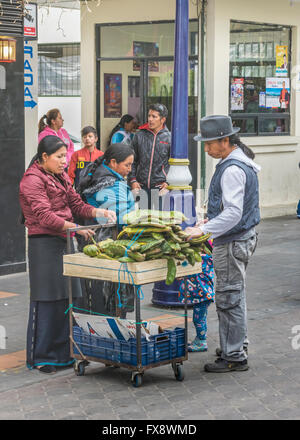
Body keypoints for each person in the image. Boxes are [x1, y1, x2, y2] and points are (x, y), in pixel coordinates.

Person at [19, 135, 116, 374]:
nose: (64, 161)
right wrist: (75, 228)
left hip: (64, 240)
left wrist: (98, 212)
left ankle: (64, 354)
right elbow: (44, 216)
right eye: (59, 157)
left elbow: (76, 204)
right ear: (44, 157)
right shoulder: (31, 180)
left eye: (65, 156)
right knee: (48, 300)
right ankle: (43, 357)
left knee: (69, 298)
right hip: (44, 244)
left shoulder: (60, 176)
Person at [186, 115, 260, 373]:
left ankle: (234, 356)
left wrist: (203, 230)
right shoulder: (239, 160)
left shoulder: (232, 169)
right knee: (235, 294)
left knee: (228, 297)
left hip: (232, 241)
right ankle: (236, 344)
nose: (206, 149)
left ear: (225, 141)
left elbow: (232, 213)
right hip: (242, 237)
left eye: (209, 144)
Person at [77, 143, 135, 318]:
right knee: (106, 299)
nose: (130, 170)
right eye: (127, 165)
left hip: (95, 244)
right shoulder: (110, 184)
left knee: (96, 296)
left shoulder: (99, 175)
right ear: (113, 162)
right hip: (106, 245)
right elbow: (123, 218)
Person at [128, 103, 171, 210]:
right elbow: (132, 160)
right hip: (141, 186)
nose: (150, 119)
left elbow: (173, 164)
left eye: (154, 117)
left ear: (163, 119)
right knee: (143, 219)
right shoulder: (139, 135)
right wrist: (133, 180)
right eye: (149, 116)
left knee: (159, 221)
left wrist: (168, 182)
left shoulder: (170, 138)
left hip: (160, 187)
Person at [178, 251, 215, 352]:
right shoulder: (204, 258)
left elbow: (191, 268)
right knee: (201, 319)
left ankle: (202, 342)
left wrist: (181, 272)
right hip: (203, 296)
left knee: (198, 320)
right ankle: (199, 339)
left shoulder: (203, 259)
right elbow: (186, 265)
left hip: (203, 296)